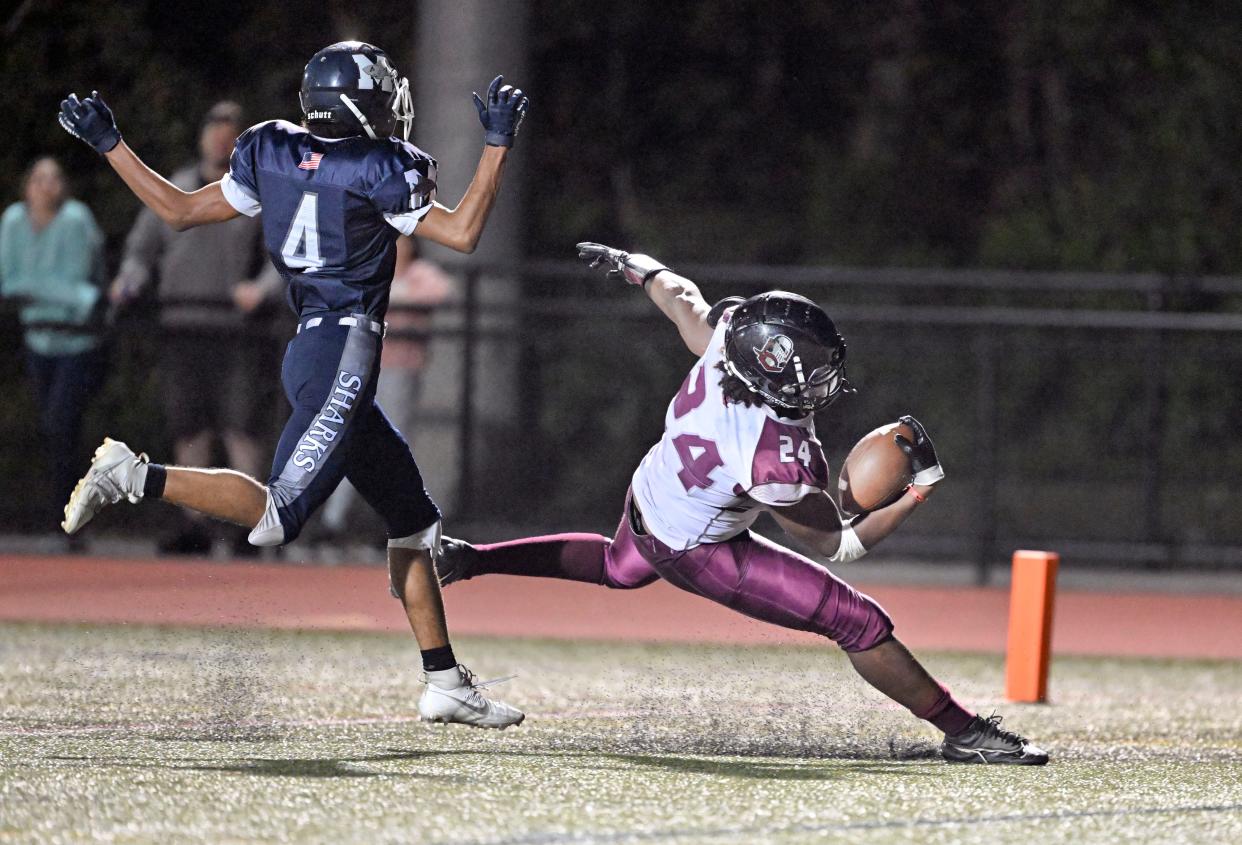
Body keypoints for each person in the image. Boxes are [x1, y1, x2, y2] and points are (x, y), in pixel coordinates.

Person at [56, 41, 529, 728]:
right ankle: (136, 474)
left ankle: (445, 680)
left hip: (313, 345)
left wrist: (112, 146)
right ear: (357, 105)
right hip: (343, 350)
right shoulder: (382, 167)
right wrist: (496, 147)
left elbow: (182, 211)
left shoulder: (270, 149)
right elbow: (461, 232)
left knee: (414, 522)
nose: (394, 101)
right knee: (279, 518)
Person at [435, 243, 1051, 764]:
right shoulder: (771, 456)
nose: (819, 379)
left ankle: (469, 560)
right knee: (857, 622)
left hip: (655, 488)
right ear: (769, 375)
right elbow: (845, 544)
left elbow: (680, 298)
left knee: (619, 567)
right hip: (695, 545)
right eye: (806, 371)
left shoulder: (729, 339)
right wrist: (920, 488)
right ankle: (966, 734)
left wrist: (636, 265)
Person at [111, 101, 282, 556]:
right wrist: (129, 281)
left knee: (241, 428)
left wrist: (261, 290)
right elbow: (141, 251)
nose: (221, 138)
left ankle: (252, 525)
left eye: (231, 130)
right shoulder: (176, 189)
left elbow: (282, 255)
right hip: (181, 325)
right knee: (189, 430)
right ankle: (195, 524)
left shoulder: (255, 194)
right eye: (215, 128)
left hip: (235, 329)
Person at [318, 235, 453, 541]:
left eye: (403, 243)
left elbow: (441, 292)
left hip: (399, 371)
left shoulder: (419, 273)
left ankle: (390, 522)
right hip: (361, 369)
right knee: (351, 443)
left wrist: (392, 296)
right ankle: (332, 523)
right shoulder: (370, 269)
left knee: (392, 446)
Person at [0, 157, 106, 534]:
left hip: (78, 343)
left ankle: (72, 513)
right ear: (27, 185)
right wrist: (66, 295)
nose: (47, 186)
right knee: (51, 428)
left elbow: (82, 286)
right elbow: (10, 283)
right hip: (37, 339)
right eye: (39, 179)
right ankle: (63, 510)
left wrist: (48, 292)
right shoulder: (13, 220)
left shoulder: (77, 219)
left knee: (63, 425)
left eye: (55, 179)